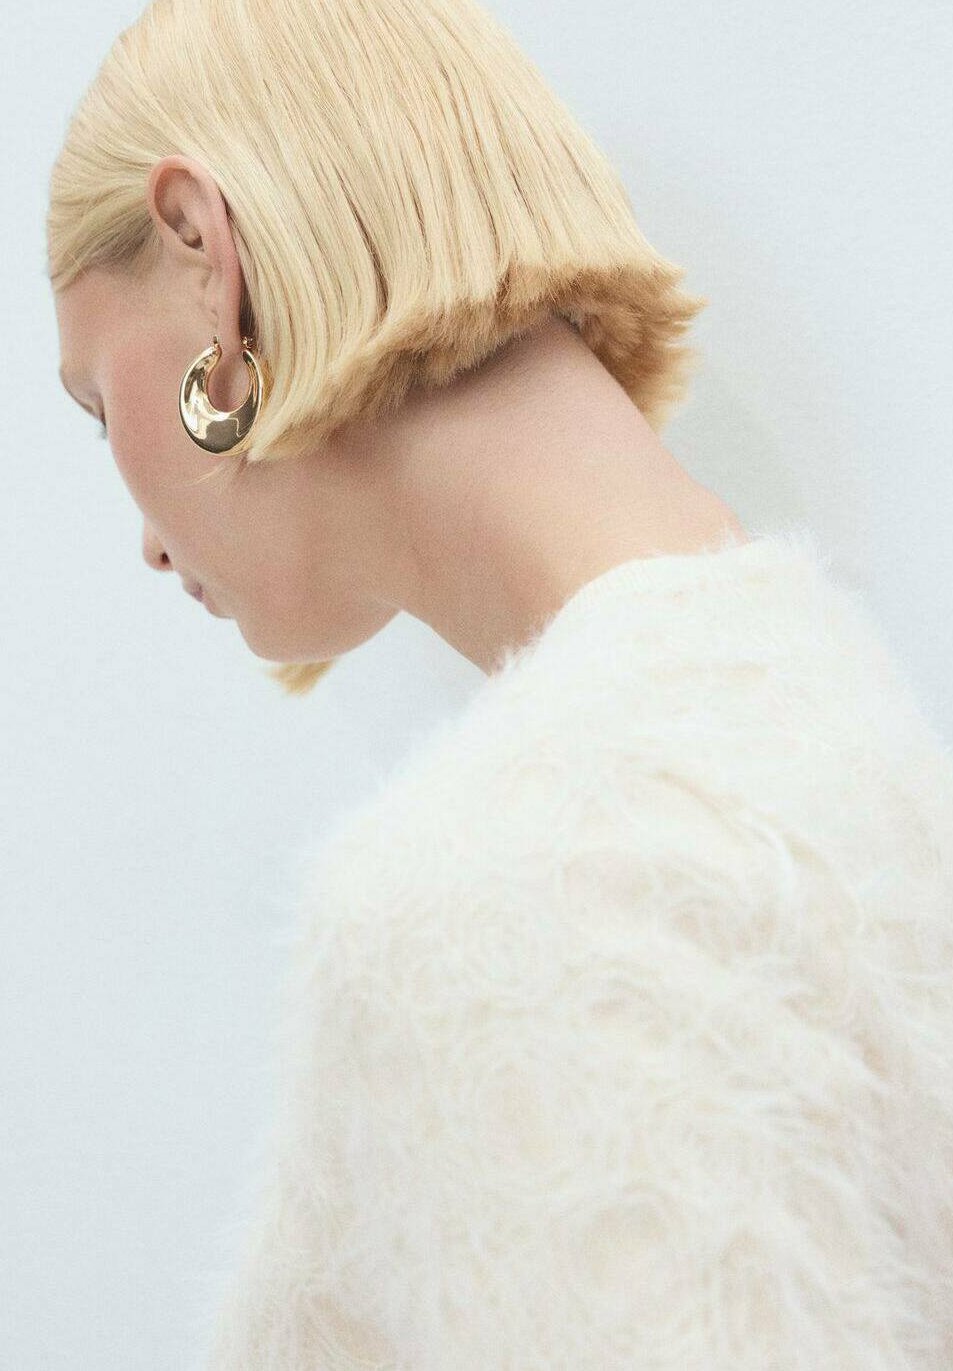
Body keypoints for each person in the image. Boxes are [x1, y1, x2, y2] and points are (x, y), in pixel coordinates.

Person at [49, 1, 953, 1367]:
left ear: (205, 261)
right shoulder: (859, 758)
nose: (148, 538)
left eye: (93, 402)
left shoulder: (520, 883)